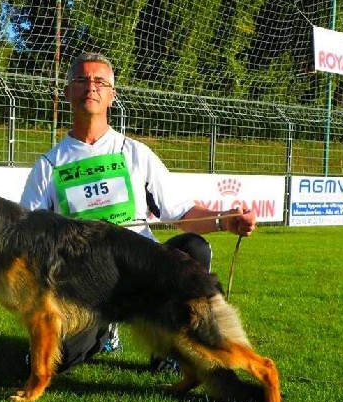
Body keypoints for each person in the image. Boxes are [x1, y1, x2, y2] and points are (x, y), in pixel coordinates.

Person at [20, 52, 256, 374]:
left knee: (193, 249)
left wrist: (224, 219)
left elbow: (181, 211)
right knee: (48, 364)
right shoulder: (49, 165)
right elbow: (27, 235)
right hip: (88, 281)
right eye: (82, 80)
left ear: (112, 96)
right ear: (68, 93)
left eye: (100, 81)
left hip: (143, 269)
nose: (91, 87)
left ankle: (173, 349)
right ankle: (104, 332)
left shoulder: (135, 153)